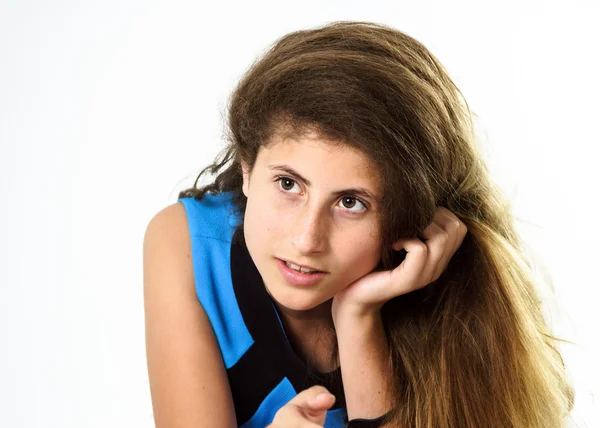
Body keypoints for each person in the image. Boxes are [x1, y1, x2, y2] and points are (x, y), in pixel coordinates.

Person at [143, 21, 574, 428]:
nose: (307, 239)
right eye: (289, 184)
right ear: (247, 170)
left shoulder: (449, 302)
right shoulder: (188, 245)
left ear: (408, 219)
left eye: (351, 202)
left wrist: (358, 316)